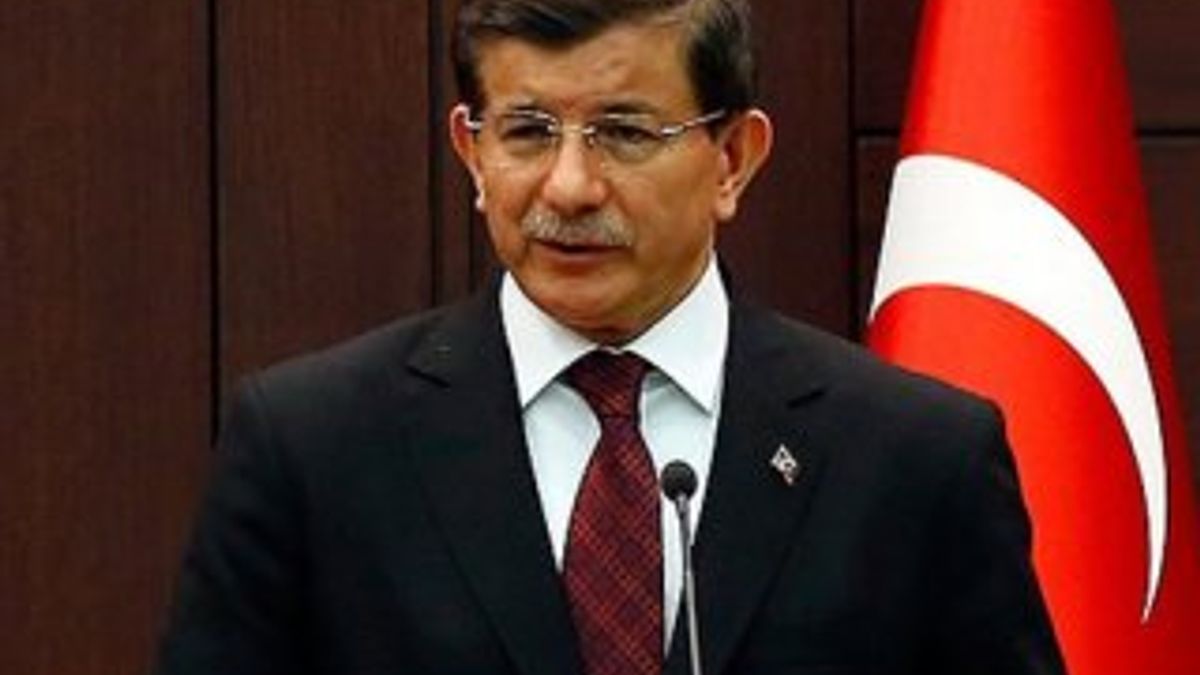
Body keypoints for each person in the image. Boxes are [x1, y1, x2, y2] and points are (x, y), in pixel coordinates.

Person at [153, 1, 1066, 674]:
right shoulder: (313, 447)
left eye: (624, 132)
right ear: (472, 152)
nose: (569, 186)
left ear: (733, 159)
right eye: (527, 132)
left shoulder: (914, 457)